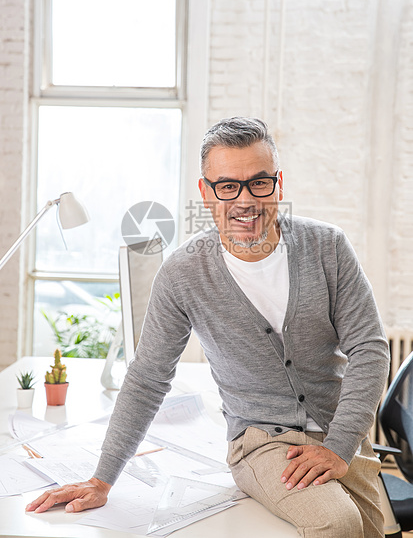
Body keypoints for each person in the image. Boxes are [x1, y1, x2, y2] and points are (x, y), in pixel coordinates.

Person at [27, 117, 390, 537]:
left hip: (340, 432)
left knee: (370, 529)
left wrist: (340, 445)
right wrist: (102, 479)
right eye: (227, 186)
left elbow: (369, 349)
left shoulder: (327, 246)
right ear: (205, 192)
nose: (245, 200)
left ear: (279, 184)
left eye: (259, 182)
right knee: (338, 524)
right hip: (261, 441)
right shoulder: (184, 273)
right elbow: (147, 378)